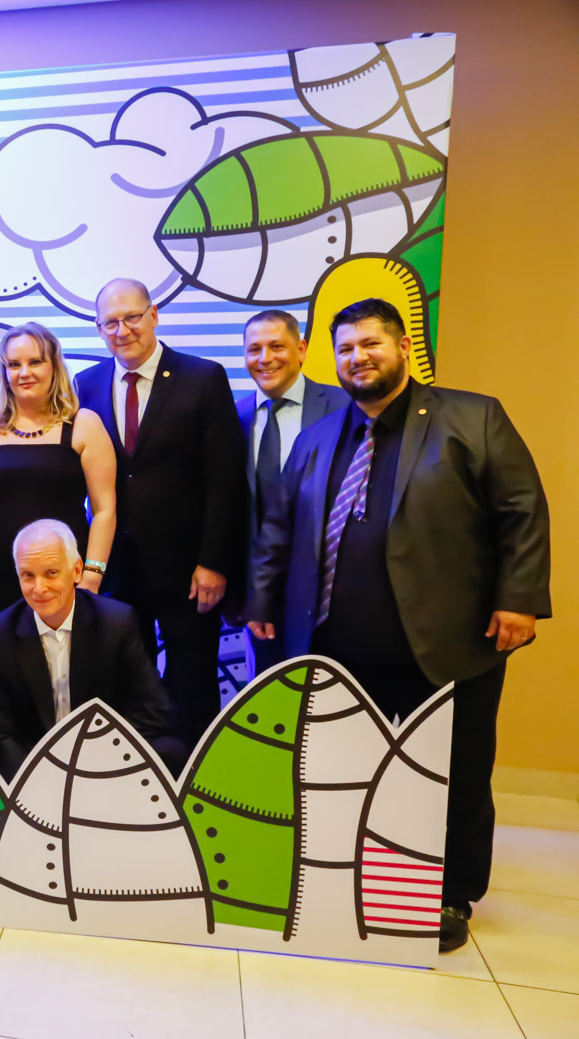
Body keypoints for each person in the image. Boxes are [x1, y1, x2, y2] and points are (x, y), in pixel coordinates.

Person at [247, 297, 550, 953]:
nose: (358, 358)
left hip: (445, 643)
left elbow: (521, 510)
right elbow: (278, 527)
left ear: (404, 348)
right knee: (339, 768)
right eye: (346, 348)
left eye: (370, 344)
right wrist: (261, 602)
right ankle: (346, 874)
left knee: (453, 773)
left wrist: (519, 598)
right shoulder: (317, 436)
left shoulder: (471, 418)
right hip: (335, 645)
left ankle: (448, 892)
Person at [73, 278, 245, 747]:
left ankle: (195, 772)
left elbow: (225, 479)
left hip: (189, 571)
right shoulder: (85, 384)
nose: (122, 330)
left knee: (193, 683)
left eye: (132, 317)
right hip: (116, 570)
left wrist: (213, 562)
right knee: (125, 683)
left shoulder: (203, 377)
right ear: (98, 329)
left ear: (153, 315)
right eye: (110, 322)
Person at [0, 520, 182, 782]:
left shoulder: (116, 622)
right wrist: (39, 781)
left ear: (76, 571)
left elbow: (153, 710)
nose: (39, 588)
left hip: (105, 756)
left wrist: (92, 768)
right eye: (28, 575)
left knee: (170, 750)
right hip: (35, 765)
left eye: (51, 573)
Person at [0, 321, 116, 656]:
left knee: (69, 671)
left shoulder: (84, 425)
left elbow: (105, 510)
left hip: (64, 577)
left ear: (54, 366)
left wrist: (92, 575)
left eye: (35, 362)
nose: (25, 373)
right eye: (14, 364)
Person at [231, 309, 347, 674]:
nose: (265, 358)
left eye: (277, 346)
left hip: (331, 592)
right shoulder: (233, 417)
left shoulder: (344, 407)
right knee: (270, 693)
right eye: (254, 349)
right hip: (258, 596)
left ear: (301, 349)